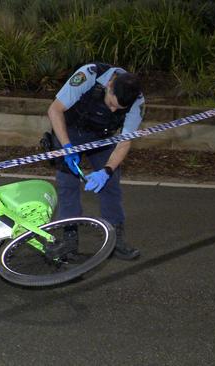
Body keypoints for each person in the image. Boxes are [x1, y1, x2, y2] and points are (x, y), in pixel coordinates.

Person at [47, 62, 144, 260]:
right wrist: (67, 147)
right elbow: (55, 110)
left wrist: (107, 170)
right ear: (110, 85)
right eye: (111, 104)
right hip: (70, 131)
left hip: (103, 136)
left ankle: (114, 239)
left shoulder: (137, 101)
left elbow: (125, 142)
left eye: (119, 109)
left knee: (111, 184)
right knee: (68, 184)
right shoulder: (89, 76)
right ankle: (69, 240)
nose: (114, 110)